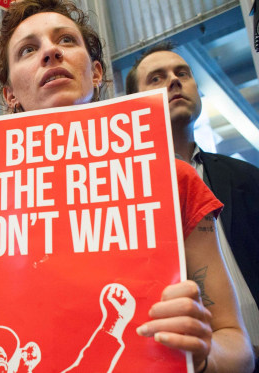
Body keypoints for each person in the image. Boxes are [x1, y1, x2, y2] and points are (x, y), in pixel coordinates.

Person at [0, 1, 255, 372]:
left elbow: (236, 345)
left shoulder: (172, 178)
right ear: (10, 94)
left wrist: (204, 355)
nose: (50, 52)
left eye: (66, 40)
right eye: (29, 49)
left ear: (95, 73)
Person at [125, 41, 259, 367]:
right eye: (156, 78)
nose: (174, 80)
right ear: (135, 103)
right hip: (185, 359)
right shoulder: (126, 192)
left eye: (181, 73)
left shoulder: (248, 177)